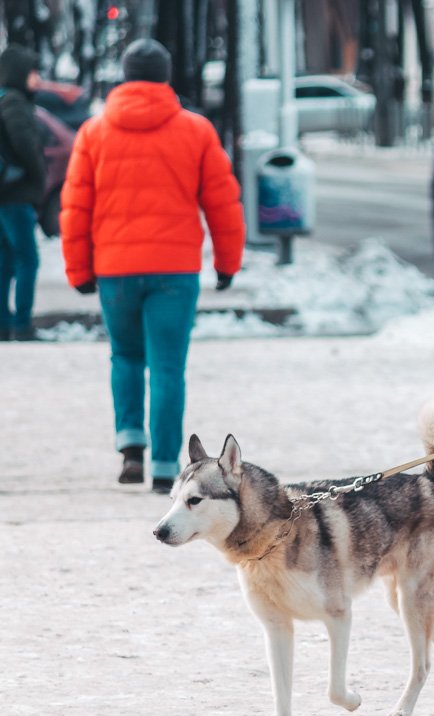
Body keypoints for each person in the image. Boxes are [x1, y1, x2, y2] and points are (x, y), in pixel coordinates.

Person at [60, 39, 245, 493]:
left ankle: (130, 447)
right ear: (166, 77)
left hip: (115, 269)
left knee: (125, 356)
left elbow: (76, 206)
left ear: (124, 77)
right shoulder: (196, 131)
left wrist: (78, 269)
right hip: (175, 271)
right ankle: (165, 466)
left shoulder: (94, 132)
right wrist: (227, 262)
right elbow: (222, 202)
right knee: (167, 366)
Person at [0, 44, 46, 342]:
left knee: (5, 259)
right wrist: (39, 174)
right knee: (28, 259)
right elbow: (25, 144)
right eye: (33, 71)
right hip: (15, 193)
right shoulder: (14, 102)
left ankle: (4, 324)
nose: (38, 78)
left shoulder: (6, 98)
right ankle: (23, 323)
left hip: (4, 192)